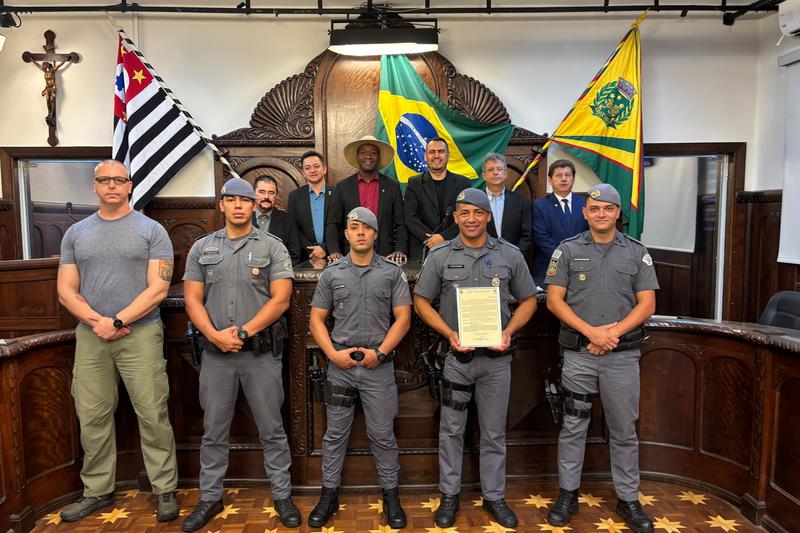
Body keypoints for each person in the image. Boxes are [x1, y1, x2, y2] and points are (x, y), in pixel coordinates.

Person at [56, 159, 179, 523]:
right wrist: (99, 323)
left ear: (129, 186)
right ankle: (97, 490)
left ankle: (164, 488)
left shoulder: (152, 230)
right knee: (92, 414)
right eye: (104, 180)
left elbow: (158, 288)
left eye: (118, 180)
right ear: (94, 186)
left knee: (152, 413)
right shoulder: (75, 233)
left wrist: (119, 320)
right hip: (91, 336)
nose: (112, 185)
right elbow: (66, 290)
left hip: (141, 334)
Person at [181, 177, 301, 531]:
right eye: (231, 199)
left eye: (244, 200)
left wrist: (244, 331)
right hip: (216, 353)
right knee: (213, 431)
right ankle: (209, 497)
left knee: (272, 428)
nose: (237, 205)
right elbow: (192, 300)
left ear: (254, 205)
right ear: (221, 205)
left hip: (260, 354)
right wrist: (214, 335)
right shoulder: (202, 247)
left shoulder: (272, 247)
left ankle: (282, 495)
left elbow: (281, 300)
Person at [413, 188, 537, 529]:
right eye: (464, 213)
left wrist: (509, 331)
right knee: (451, 431)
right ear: (456, 217)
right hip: (456, 359)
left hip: (497, 361)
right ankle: (449, 495)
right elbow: (421, 301)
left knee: (494, 433)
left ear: (487, 217)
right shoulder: (440, 255)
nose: (471, 219)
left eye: (477, 213)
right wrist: (448, 333)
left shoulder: (509, 254)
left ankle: (494, 497)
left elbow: (529, 300)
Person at [545, 183, 658, 533]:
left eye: (608, 208)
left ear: (617, 212)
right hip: (579, 356)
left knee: (624, 430)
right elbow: (554, 300)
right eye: (594, 209)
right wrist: (591, 333)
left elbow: (647, 304)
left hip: (621, 357)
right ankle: (568, 495)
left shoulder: (636, 252)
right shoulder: (566, 250)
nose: (601, 214)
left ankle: (628, 498)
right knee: (573, 426)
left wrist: (610, 335)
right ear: (585, 213)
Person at [308, 206, 411, 528]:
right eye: (354, 227)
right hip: (340, 366)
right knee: (334, 435)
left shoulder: (391, 273)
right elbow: (316, 319)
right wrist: (331, 354)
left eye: (366, 227)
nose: (361, 232)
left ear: (375, 234)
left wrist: (380, 353)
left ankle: (391, 496)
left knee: (382, 435)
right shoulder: (332, 274)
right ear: (347, 234)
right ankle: (328, 496)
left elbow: (403, 318)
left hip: (378, 368)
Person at [325, 136, 407, 263]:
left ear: (378, 157)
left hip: (386, 256)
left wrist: (400, 249)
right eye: (363, 152)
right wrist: (334, 250)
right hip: (350, 256)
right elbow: (332, 223)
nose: (368, 156)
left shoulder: (392, 186)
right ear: (357, 157)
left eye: (373, 153)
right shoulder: (342, 187)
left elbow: (401, 224)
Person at [404, 137, 470, 260]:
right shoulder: (414, 183)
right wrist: (431, 239)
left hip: (454, 248)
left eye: (441, 151)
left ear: (448, 156)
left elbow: (465, 217)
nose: (436, 156)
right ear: (425, 156)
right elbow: (410, 217)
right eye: (432, 152)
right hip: (422, 249)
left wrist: (443, 237)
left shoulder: (463, 183)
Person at [532, 159, 589, 286]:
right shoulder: (539, 205)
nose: (563, 179)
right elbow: (541, 239)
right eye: (558, 175)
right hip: (549, 269)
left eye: (568, 175)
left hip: (582, 267)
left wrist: (577, 259)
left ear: (573, 179)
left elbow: (590, 233)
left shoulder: (585, 203)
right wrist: (565, 259)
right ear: (550, 180)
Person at [287, 150, 333, 262]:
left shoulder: (337, 193)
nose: (312, 171)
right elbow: (293, 227)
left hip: (333, 254)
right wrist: (311, 250)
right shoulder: (294, 196)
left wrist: (325, 248)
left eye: (316, 166)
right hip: (305, 256)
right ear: (303, 173)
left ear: (324, 169)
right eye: (307, 168)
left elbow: (342, 226)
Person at [483, 152, 532, 255]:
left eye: (499, 169)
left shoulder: (521, 202)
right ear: (484, 176)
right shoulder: (476, 201)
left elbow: (527, 236)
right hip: (482, 257)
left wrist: (516, 256)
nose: (495, 173)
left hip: (514, 258)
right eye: (491, 170)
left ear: (505, 174)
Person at [253, 175, 302, 265]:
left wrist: (276, 269)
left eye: (271, 193)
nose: (266, 196)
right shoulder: (243, 218)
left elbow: (294, 255)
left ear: (275, 195)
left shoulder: (288, 220)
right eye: (262, 192)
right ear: (254, 194)